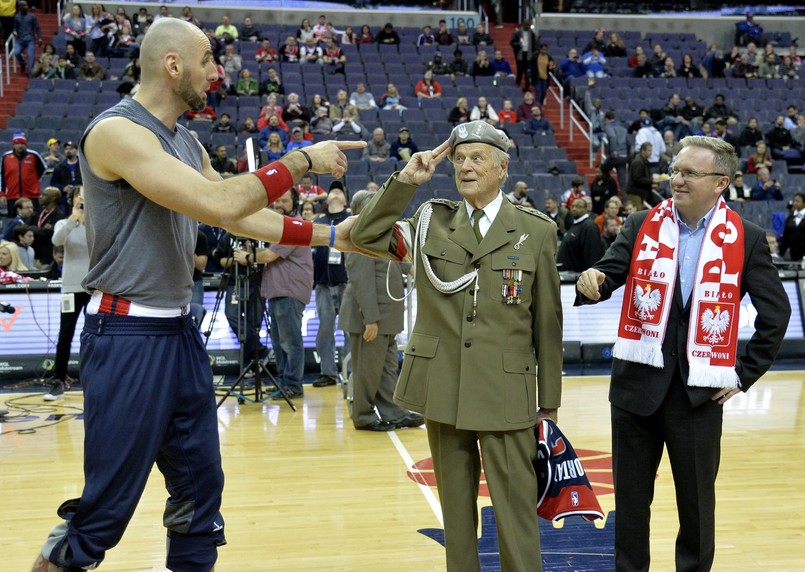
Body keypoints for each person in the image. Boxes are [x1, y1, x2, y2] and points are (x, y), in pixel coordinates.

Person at [30, 18, 365, 572]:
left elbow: (246, 214)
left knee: (199, 490)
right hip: (127, 334)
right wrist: (303, 159)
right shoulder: (115, 132)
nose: (217, 72)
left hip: (178, 332)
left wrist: (333, 235)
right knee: (104, 513)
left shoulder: (185, 141)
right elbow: (217, 206)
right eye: (208, 59)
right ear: (172, 64)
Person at [351, 120, 563, 571]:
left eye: (477, 159)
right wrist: (407, 182)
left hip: (507, 391)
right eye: (459, 159)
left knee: (517, 515)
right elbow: (365, 235)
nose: (465, 167)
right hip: (443, 387)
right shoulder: (431, 222)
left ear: (502, 168)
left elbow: (547, 324)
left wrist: (550, 403)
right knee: (458, 521)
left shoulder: (535, 230)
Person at [575, 136, 790, 572]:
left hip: (698, 396)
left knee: (696, 507)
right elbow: (612, 272)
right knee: (631, 505)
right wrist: (594, 277)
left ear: (720, 183)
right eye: (674, 170)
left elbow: (776, 312)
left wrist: (743, 375)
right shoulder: (640, 224)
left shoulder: (744, 238)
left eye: (689, 173)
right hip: (636, 388)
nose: (676, 179)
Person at [340, 189, 424, 431]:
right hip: (370, 319)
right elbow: (362, 283)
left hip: (386, 318)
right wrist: (371, 320)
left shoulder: (380, 236)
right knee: (367, 370)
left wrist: (414, 270)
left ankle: (393, 412)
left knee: (386, 370)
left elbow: (395, 264)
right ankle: (363, 416)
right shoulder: (358, 238)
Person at [255, 187, 313, 400]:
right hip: (278, 290)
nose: (279, 205)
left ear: (295, 203)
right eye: (276, 201)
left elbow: (270, 256)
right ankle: (283, 383)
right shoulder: (279, 226)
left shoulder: (294, 226)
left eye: (285, 201)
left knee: (290, 341)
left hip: (289, 290)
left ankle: (293, 385)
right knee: (280, 342)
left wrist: (248, 255)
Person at [44, 187, 90, 401]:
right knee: (65, 335)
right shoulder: (64, 223)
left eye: (85, 196)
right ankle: (58, 381)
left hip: (95, 288)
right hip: (71, 288)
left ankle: (97, 379)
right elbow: (57, 241)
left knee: (98, 337)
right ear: (72, 200)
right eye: (78, 196)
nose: (82, 200)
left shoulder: (98, 223)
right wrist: (75, 217)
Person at [310, 180, 351, 388]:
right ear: (325, 199)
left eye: (339, 191)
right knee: (324, 331)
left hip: (347, 282)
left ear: (345, 199)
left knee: (350, 330)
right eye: (331, 190)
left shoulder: (351, 219)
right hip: (323, 284)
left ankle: (351, 372)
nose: (335, 193)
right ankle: (328, 373)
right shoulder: (319, 222)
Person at [1, 130, 46, 216]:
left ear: (26, 144)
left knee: (33, 219)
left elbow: (43, 169)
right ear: (13, 144)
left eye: (22, 143)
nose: (20, 146)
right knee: (13, 221)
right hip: (12, 195)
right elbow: (2, 176)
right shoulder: (6, 157)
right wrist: (2, 194)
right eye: (17, 143)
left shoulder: (34, 155)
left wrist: (34, 181)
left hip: (31, 195)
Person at [557, 197, 605, 273]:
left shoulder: (589, 226)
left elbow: (591, 255)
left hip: (577, 277)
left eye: (578, 206)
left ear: (586, 209)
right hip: (567, 275)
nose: (574, 209)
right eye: (572, 206)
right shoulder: (574, 225)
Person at [12, 1, 42, 77]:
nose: (25, 7)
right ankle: (22, 63)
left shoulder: (32, 16)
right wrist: (14, 31)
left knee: (31, 56)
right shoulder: (16, 17)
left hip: (30, 39)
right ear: (19, 7)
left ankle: (30, 73)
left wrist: (40, 38)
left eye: (26, 5)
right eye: (23, 6)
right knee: (16, 53)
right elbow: (14, 27)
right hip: (20, 39)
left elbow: (37, 27)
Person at [780, 192, 805, 263]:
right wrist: (781, 252)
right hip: (793, 251)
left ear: (804, 203)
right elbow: (785, 236)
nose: (795, 203)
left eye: (798, 201)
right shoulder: (790, 218)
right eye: (794, 201)